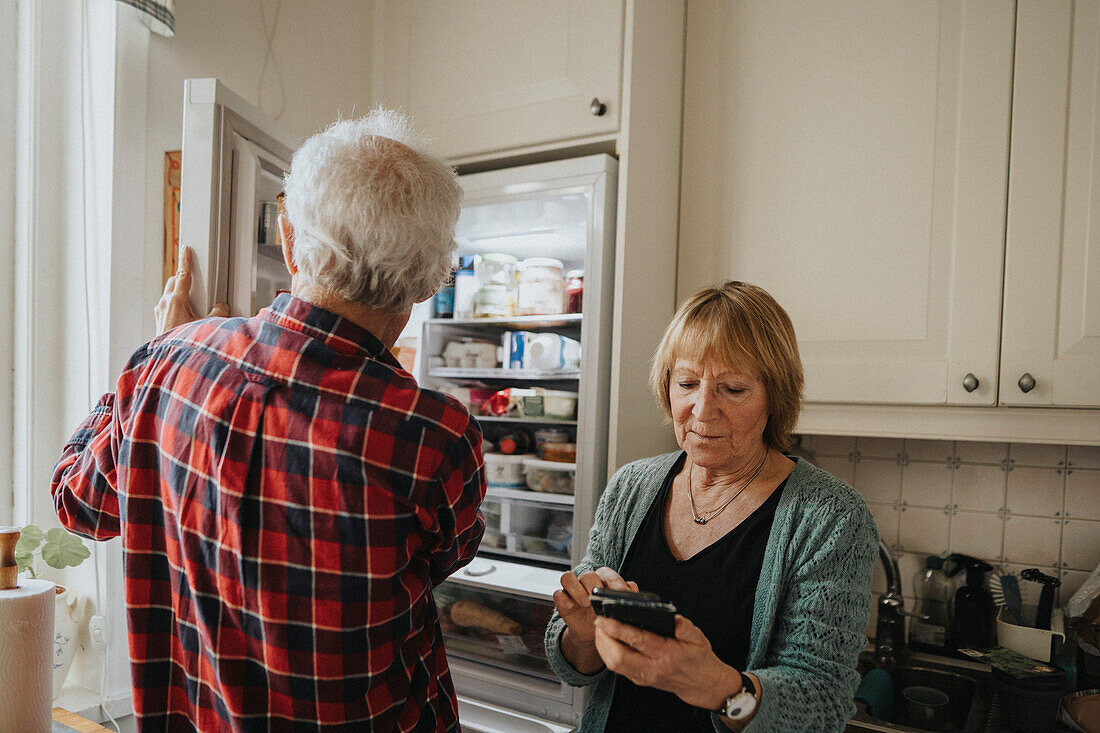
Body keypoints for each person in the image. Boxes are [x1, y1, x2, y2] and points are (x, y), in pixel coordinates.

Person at [51, 111, 486, 732]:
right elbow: (445, 555)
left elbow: (78, 502)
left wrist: (144, 368)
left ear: (287, 240)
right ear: (427, 280)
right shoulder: (434, 434)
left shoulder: (168, 362)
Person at [545, 281, 878, 732]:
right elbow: (577, 665)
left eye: (733, 389)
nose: (702, 411)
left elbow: (822, 705)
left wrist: (720, 687)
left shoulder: (832, 517)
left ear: (774, 396)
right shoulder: (631, 487)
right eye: (687, 383)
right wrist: (582, 633)